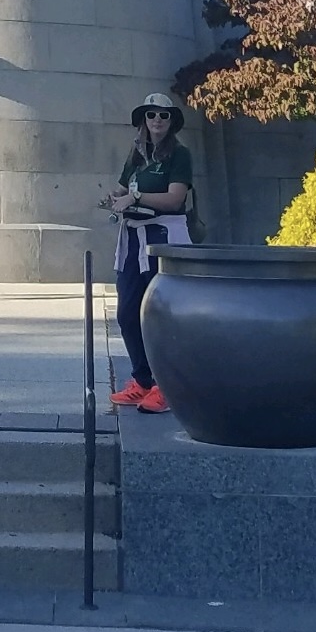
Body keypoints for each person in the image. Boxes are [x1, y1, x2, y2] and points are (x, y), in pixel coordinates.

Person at [103, 91, 193, 413]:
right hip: (132, 240)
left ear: (171, 122)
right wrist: (116, 197)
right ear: (144, 119)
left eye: (163, 115)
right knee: (127, 313)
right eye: (151, 115)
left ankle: (165, 387)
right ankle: (141, 381)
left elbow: (174, 200)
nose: (157, 120)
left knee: (160, 315)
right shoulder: (137, 153)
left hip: (164, 239)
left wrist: (136, 199)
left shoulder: (179, 156)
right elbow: (124, 189)